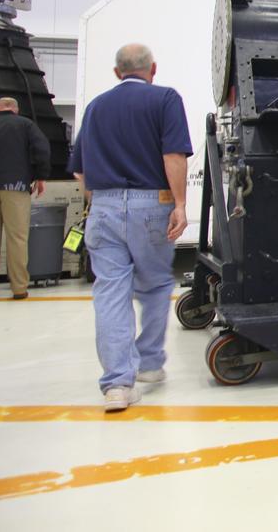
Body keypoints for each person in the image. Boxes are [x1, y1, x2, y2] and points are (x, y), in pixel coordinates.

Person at [69, 44, 192, 412]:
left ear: (116, 72)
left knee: (110, 293)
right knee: (154, 285)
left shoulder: (95, 108)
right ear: (152, 68)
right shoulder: (166, 99)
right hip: (151, 204)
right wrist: (180, 205)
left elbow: (80, 171)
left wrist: (103, 199)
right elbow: (173, 156)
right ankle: (150, 363)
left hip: (103, 206)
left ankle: (117, 385)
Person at [0, 97, 51, 300]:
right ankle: (19, 288)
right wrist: (40, 176)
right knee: (17, 238)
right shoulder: (25, 124)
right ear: (15, 109)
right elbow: (42, 150)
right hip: (16, 186)